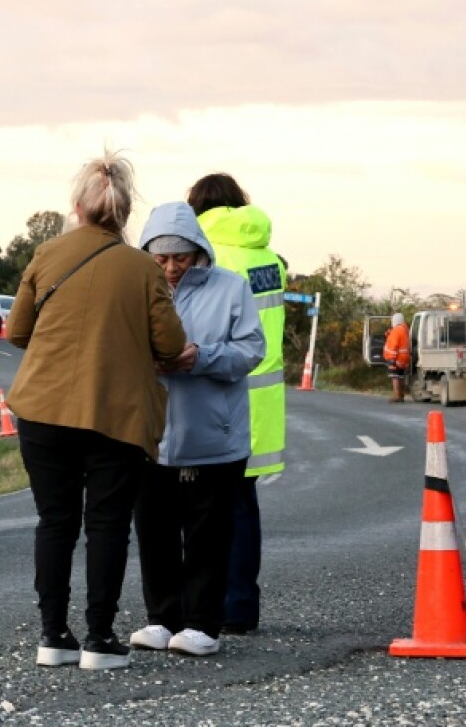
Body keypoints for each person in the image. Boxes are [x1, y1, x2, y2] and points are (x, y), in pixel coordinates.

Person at [5, 152, 187, 671]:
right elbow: (170, 342)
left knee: (54, 523)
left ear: (78, 207)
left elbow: (18, 332)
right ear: (124, 214)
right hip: (115, 414)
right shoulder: (141, 267)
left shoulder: (46, 253)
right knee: (106, 525)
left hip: (42, 410)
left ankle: (53, 636)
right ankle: (99, 638)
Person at [129, 202, 265, 657]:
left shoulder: (232, 288)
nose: (171, 268)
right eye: (161, 258)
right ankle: (160, 619)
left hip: (215, 436)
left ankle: (202, 623)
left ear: (199, 253)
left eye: (181, 257)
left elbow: (251, 350)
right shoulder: (133, 287)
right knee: (154, 531)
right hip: (150, 434)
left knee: (209, 534)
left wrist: (199, 357)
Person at [186, 173, 287, 634]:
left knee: (210, 508)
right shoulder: (269, 258)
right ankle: (243, 604)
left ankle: (218, 606)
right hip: (265, 398)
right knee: (243, 505)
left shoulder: (212, 256)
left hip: (224, 393)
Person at [383, 313, 411, 403]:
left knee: (394, 376)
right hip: (404, 357)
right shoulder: (405, 329)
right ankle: (401, 395)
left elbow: (393, 345)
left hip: (397, 357)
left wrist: (391, 358)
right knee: (401, 375)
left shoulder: (396, 330)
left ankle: (396, 395)